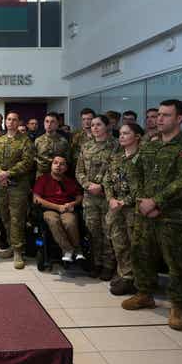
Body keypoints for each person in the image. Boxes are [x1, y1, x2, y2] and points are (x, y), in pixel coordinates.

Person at [122, 99, 182, 332]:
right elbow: (135, 172)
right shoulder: (150, 145)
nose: (159, 119)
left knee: (178, 261)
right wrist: (142, 200)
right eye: (158, 114)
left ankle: (178, 305)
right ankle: (144, 293)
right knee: (141, 253)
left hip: (176, 216)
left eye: (166, 115)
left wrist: (156, 202)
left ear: (179, 118)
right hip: (146, 213)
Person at [103, 123, 145, 296]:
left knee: (136, 245)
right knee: (119, 244)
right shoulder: (117, 157)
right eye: (120, 133)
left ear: (137, 137)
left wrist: (123, 201)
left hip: (134, 209)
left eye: (126, 133)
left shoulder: (142, 158)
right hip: (116, 208)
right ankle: (125, 275)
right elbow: (107, 181)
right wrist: (111, 199)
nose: (121, 136)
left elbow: (143, 186)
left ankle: (139, 280)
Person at [76, 115, 119, 280]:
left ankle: (109, 265)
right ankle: (96, 263)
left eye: (98, 124)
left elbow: (117, 171)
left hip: (108, 196)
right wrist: (88, 185)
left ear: (107, 126)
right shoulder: (86, 146)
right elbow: (79, 171)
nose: (94, 127)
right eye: (92, 125)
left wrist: (101, 186)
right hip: (90, 197)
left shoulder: (116, 146)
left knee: (108, 231)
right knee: (93, 232)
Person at [0, 112, 35, 269]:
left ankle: (18, 251)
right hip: (2, 185)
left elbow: (27, 162)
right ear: (5, 122)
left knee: (17, 218)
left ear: (18, 122)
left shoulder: (25, 141)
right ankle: (11, 245)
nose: (11, 122)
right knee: (5, 216)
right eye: (8, 119)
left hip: (18, 185)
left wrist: (8, 173)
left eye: (14, 120)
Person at [32, 156, 83, 263]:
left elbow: (79, 196)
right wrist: (57, 207)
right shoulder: (43, 179)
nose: (58, 166)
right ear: (51, 166)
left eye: (62, 164)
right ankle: (68, 249)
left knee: (70, 222)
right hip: (49, 208)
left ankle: (77, 249)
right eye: (55, 163)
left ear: (66, 168)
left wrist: (72, 203)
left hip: (66, 208)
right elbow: (36, 199)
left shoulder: (70, 181)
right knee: (54, 221)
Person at [34, 112, 70, 179]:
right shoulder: (38, 141)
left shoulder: (63, 141)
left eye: (52, 122)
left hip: (58, 176)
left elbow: (67, 160)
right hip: (41, 176)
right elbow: (34, 159)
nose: (49, 124)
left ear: (57, 124)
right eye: (47, 121)